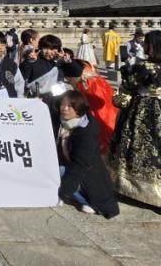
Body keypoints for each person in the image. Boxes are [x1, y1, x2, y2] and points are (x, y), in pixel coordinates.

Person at [108, 30, 161, 207]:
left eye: (147, 43)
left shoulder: (145, 67)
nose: (144, 45)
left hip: (146, 108)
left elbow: (130, 84)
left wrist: (128, 68)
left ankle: (139, 187)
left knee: (140, 143)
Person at [57, 90, 120, 218]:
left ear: (78, 109)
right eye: (62, 104)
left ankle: (88, 202)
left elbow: (80, 166)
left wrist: (63, 193)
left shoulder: (86, 133)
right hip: (71, 165)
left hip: (88, 175)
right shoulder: (62, 122)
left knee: (58, 172)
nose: (64, 109)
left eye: (70, 106)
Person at [62, 59, 117, 155]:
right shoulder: (89, 73)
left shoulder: (85, 85)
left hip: (102, 115)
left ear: (72, 77)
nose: (69, 83)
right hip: (111, 112)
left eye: (68, 80)